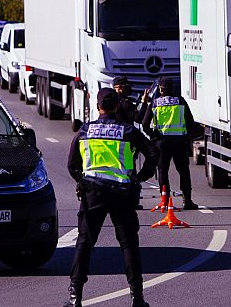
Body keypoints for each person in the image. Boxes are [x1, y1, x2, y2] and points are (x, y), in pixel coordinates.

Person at [65, 88, 159, 307]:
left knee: (85, 244)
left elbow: (71, 165)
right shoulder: (127, 131)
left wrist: (82, 181)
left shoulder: (85, 130)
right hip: (122, 193)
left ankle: (74, 297)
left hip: (93, 192)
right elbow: (153, 153)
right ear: (117, 106)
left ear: (98, 107)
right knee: (128, 245)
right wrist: (139, 177)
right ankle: (137, 298)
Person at [141, 76, 199, 210]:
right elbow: (191, 122)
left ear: (160, 88)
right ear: (172, 88)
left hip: (162, 142)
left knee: (163, 171)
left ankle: (165, 201)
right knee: (183, 171)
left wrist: (154, 136)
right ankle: (187, 200)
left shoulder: (155, 103)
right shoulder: (180, 101)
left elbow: (144, 124)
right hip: (179, 141)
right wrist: (186, 136)